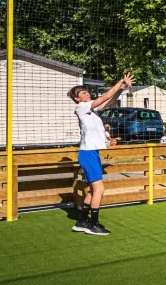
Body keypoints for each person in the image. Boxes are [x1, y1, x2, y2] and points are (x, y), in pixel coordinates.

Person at [67, 73, 135, 236]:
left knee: (93, 190)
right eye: (83, 92)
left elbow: (109, 101)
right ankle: (93, 224)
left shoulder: (92, 110)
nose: (87, 93)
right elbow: (104, 97)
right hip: (87, 153)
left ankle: (81, 222)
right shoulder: (82, 107)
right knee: (99, 190)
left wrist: (122, 88)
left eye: (86, 91)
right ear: (77, 98)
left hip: (92, 152)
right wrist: (120, 81)